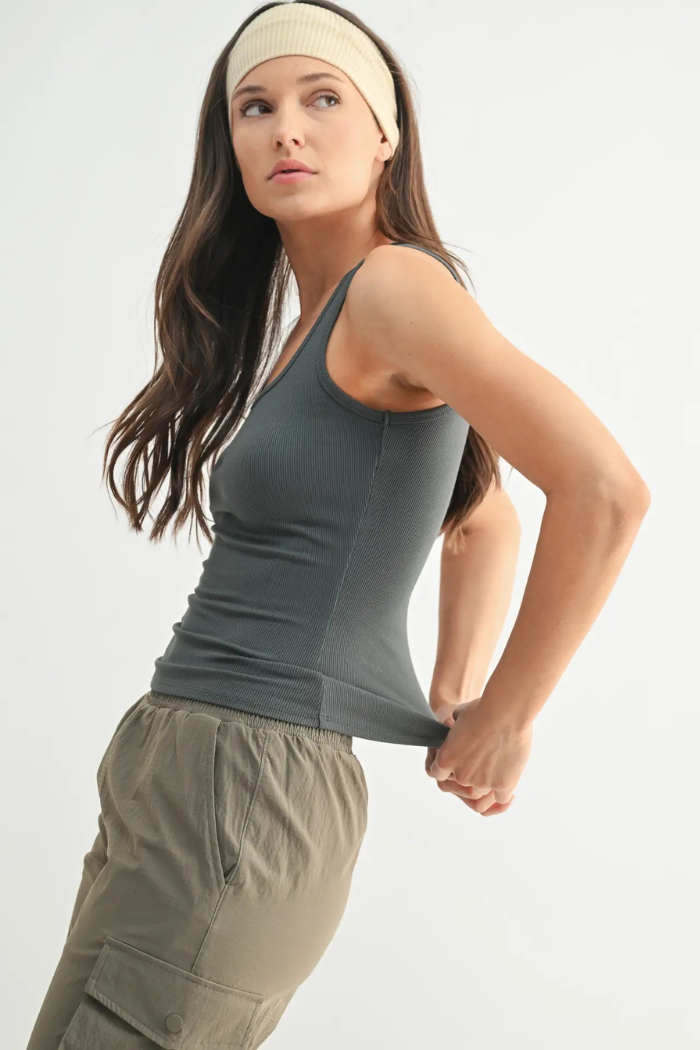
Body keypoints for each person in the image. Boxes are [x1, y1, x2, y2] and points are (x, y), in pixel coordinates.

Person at [26, 1, 651, 1047]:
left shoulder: (394, 288)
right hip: (182, 771)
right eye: (255, 107)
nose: (286, 130)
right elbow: (480, 515)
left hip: (245, 785)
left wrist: (503, 716)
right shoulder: (320, 320)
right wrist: (449, 692)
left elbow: (603, 489)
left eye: (323, 99)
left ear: (385, 132)